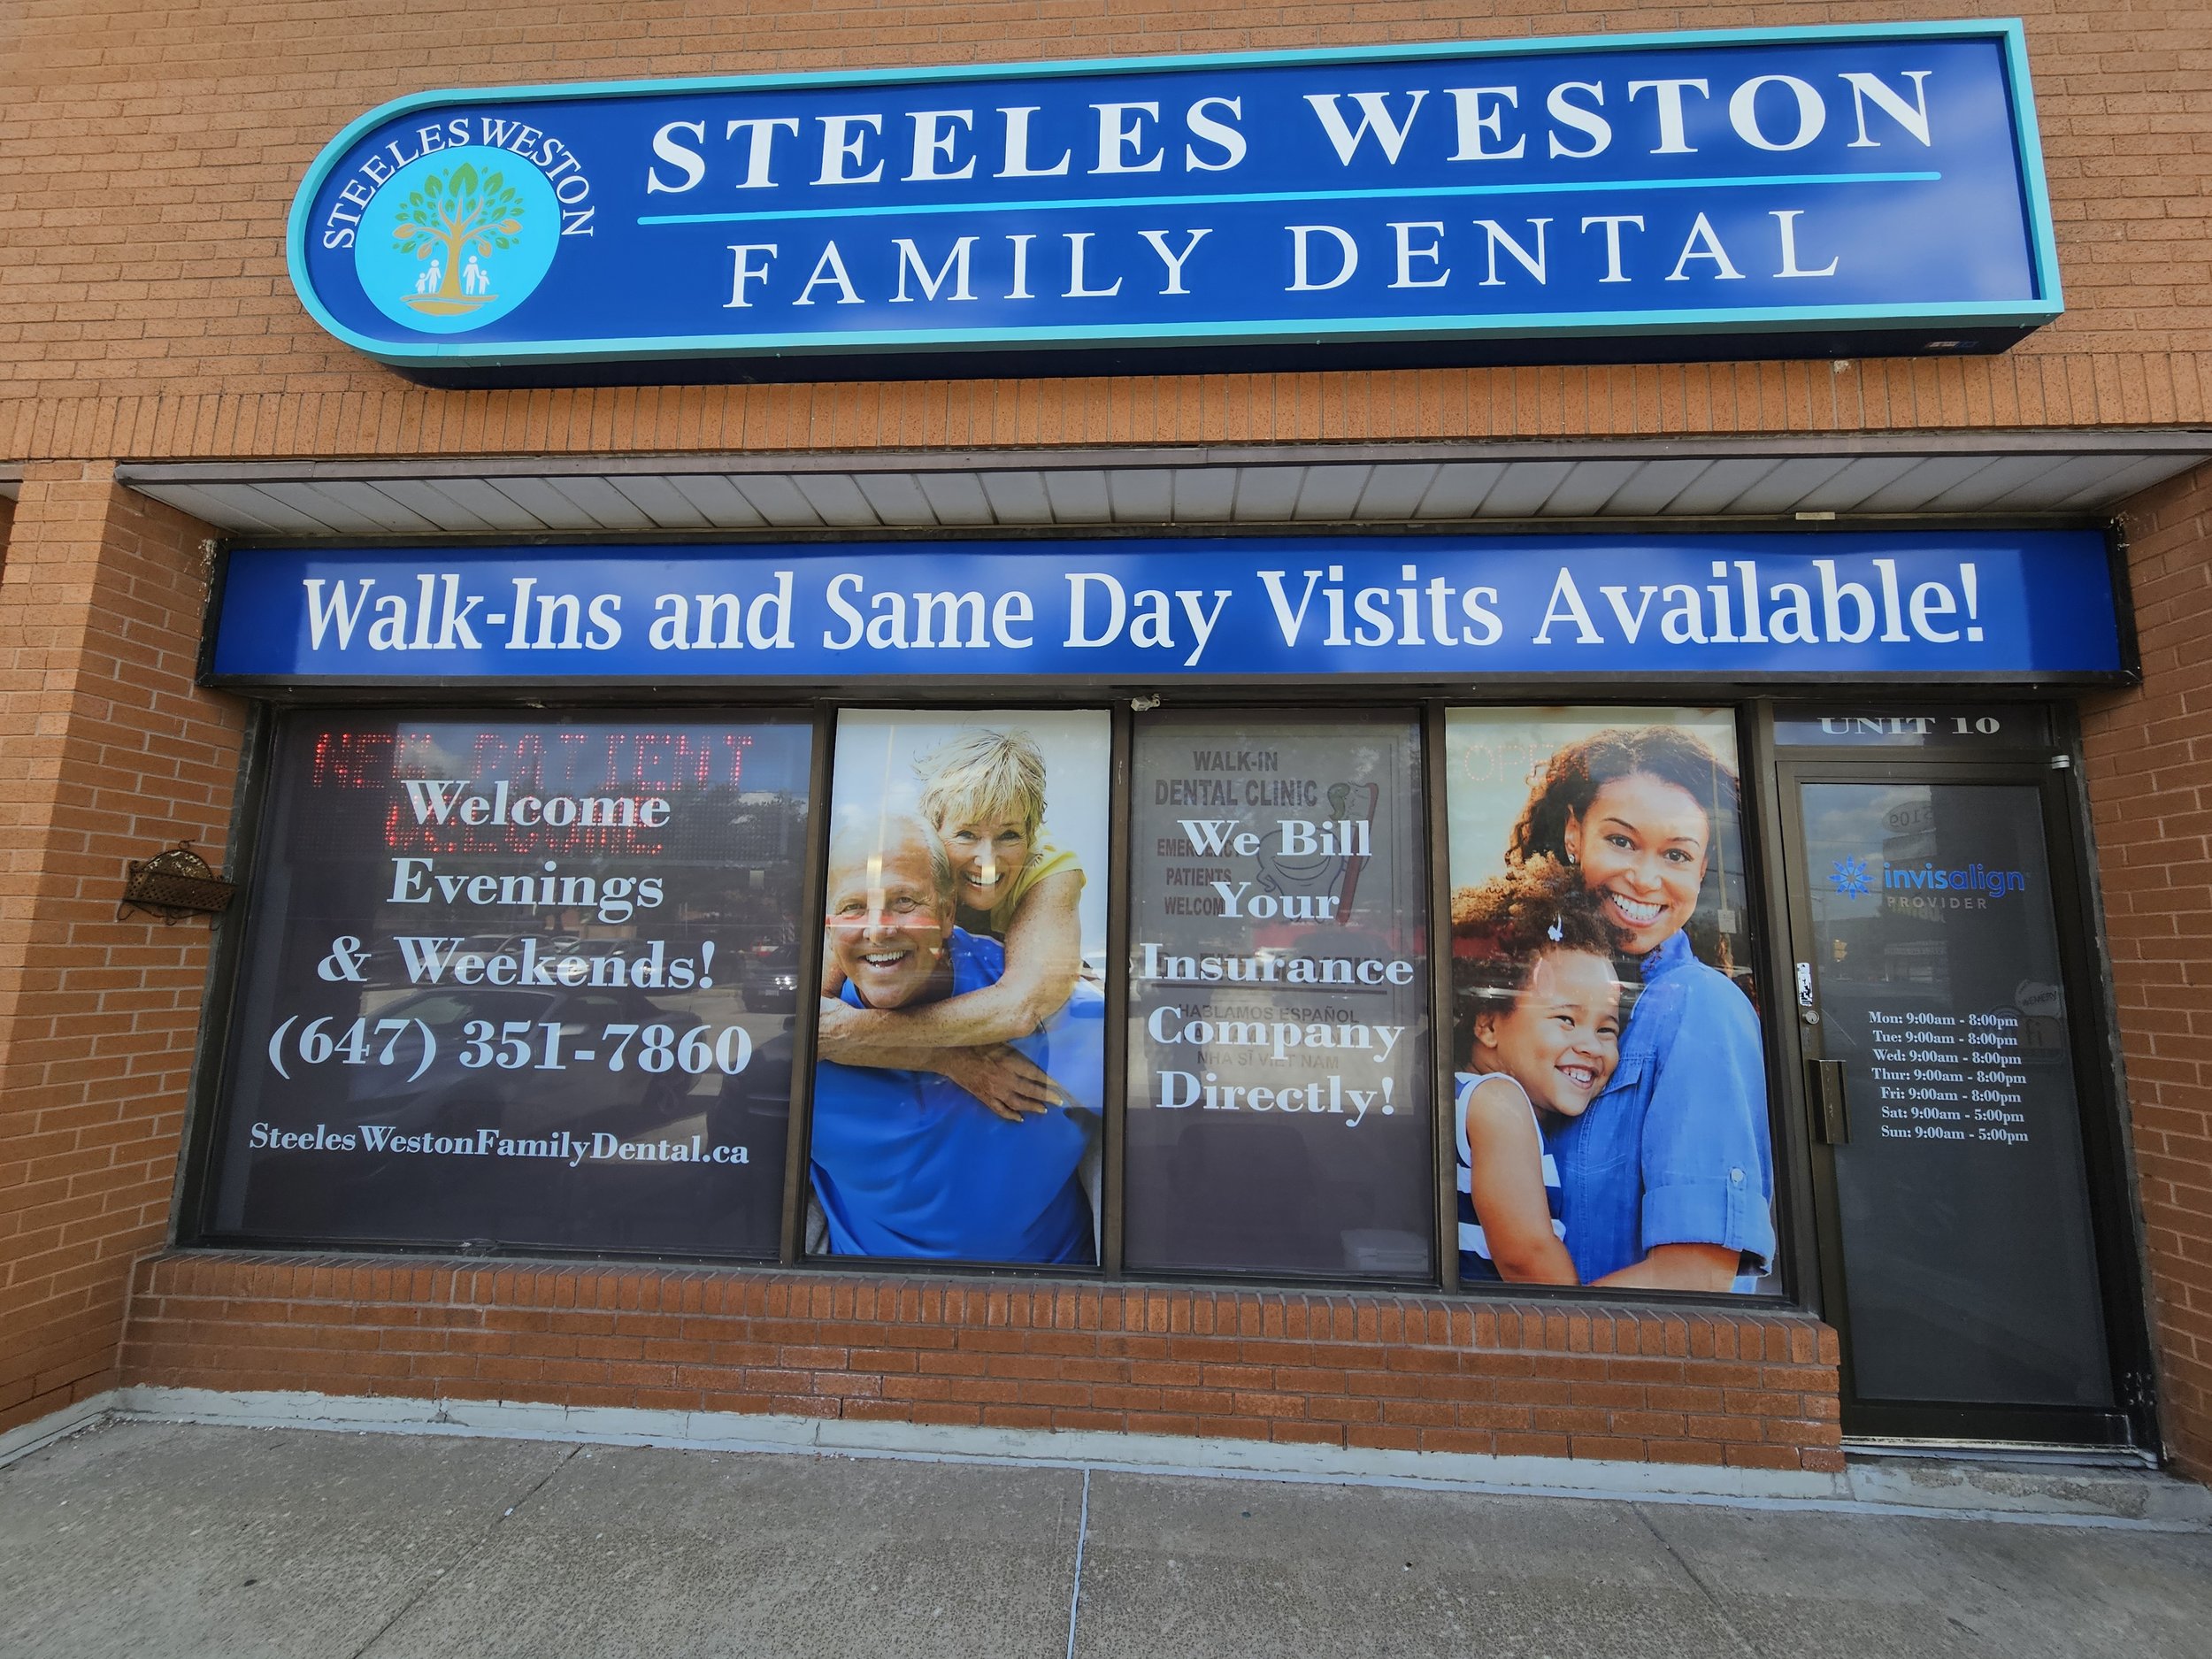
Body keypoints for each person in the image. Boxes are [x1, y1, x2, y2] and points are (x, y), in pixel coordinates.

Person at [1505, 726, 1774, 1291]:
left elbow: (1695, 1277)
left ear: (1701, 872)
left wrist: (1515, 1351)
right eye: (1622, 841)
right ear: (1575, 832)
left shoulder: (1699, 1007)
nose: (1645, 879)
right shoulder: (1526, 982)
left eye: (1676, 855)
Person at [808, 813, 1099, 1263]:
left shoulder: (1063, 1016)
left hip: (1056, 1309)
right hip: (865, 1312)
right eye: (852, 908)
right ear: (828, 926)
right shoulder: (796, 1044)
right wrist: (942, 1055)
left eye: (905, 901)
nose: (879, 929)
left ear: (947, 914)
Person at [815, 728, 1087, 1124]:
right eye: (966, 834)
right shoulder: (911, 859)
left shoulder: (1051, 868)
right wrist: (948, 1059)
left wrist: (859, 1031)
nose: (988, 860)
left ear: (1031, 836)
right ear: (934, 830)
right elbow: (815, 1020)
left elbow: (1020, 1007)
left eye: (1010, 835)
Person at [1451, 861, 1622, 1284]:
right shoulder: (1497, 1101)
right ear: (1488, 1025)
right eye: (1566, 1019)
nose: (1590, 1044)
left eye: (1607, 1028)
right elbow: (1526, 1256)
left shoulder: (1465, 1095)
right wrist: (1585, 1337)